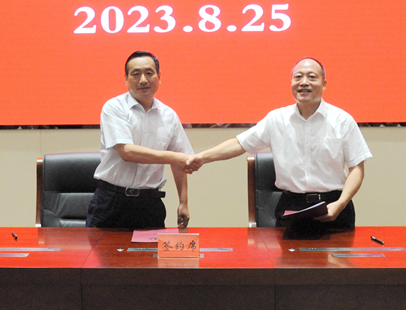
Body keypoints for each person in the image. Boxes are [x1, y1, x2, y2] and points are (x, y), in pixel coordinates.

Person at [188, 57, 371, 230]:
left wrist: (341, 203)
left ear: (324, 84)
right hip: (292, 208)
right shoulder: (276, 119)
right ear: (291, 83)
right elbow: (239, 144)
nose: (304, 82)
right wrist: (202, 157)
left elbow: (357, 168)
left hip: (335, 206)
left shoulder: (342, 120)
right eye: (298, 77)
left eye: (312, 77)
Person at [87, 51, 194, 229]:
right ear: (126, 79)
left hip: (150, 204)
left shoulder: (169, 116)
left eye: (149, 73)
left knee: (151, 249)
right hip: (111, 201)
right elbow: (127, 152)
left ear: (159, 77)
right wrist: (172, 157)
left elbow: (179, 163)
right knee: (104, 249)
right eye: (136, 74)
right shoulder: (114, 107)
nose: (143, 80)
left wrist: (183, 202)